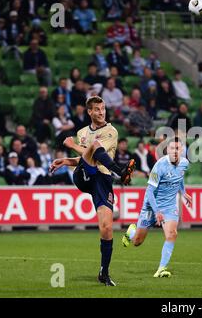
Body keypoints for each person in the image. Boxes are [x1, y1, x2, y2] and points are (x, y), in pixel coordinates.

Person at [49, 96, 136, 286]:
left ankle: (104, 272)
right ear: (89, 112)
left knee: (106, 228)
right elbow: (87, 156)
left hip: (102, 180)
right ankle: (121, 172)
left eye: (103, 108)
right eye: (97, 109)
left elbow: (93, 155)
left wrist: (67, 155)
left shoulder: (111, 131)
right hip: (84, 176)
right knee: (94, 145)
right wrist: (71, 154)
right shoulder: (82, 132)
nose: (101, 112)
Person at [121, 137, 192, 278]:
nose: (175, 151)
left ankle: (161, 269)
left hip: (169, 206)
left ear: (182, 150)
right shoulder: (160, 165)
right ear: (168, 150)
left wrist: (183, 192)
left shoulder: (184, 163)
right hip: (151, 206)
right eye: (172, 148)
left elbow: (179, 178)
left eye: (178, 148)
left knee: (172, 234)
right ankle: (131, 232)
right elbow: (149, 192)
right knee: (137, 242)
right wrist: (157, 211)